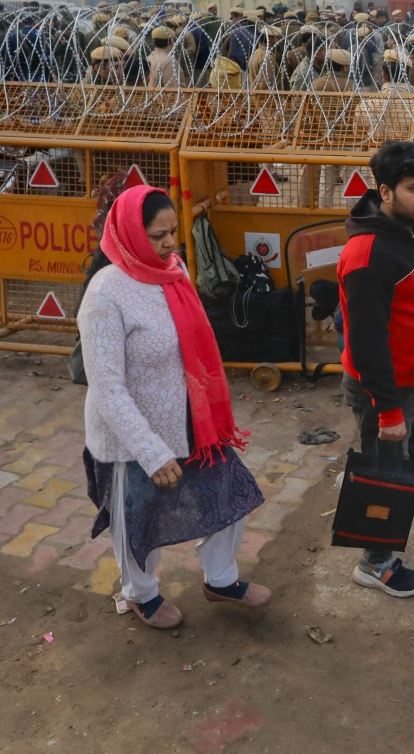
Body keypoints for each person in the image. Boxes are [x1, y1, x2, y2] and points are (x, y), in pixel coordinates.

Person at [79, 186, 268, 630]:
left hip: (191, 421)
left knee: (229, 494)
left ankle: (221, 580)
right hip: (133, 435)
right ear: (128, 235)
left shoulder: (173, 270)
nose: (169, 245)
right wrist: (151, 451)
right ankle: (141, 594)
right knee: (136, 518)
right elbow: (107, 387)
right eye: (157, 236)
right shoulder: (105, 295)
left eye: (172, 233)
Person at [338, 142, 414, 598]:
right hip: (386, 390)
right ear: (385, 191)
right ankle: (374, 562)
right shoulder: (366, 256)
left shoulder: (410, 228)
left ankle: (370, 485)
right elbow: (365, 345)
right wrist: (386, 414)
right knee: (386, 476)